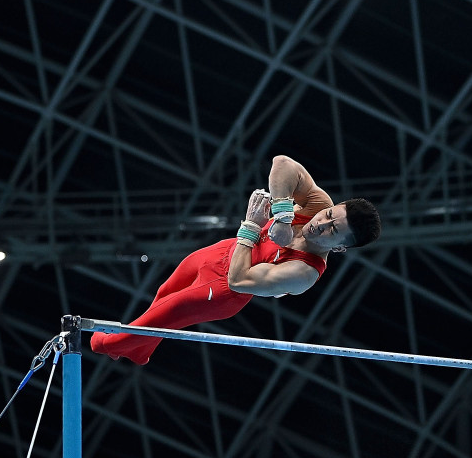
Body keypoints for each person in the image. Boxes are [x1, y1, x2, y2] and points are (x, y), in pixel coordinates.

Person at [90, 155, 381, 365]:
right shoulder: (319, 204)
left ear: (340, 248)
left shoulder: (305, 272)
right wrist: (281, 213)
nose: (321, 223)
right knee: (163, 295)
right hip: (220, 251)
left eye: (333, 230)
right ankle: (140, 351)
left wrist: (253, 227)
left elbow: (239, 280)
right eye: (330, 215)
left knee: (165, 312)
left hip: (224, 290)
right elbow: (283, 163)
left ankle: (101, 343)